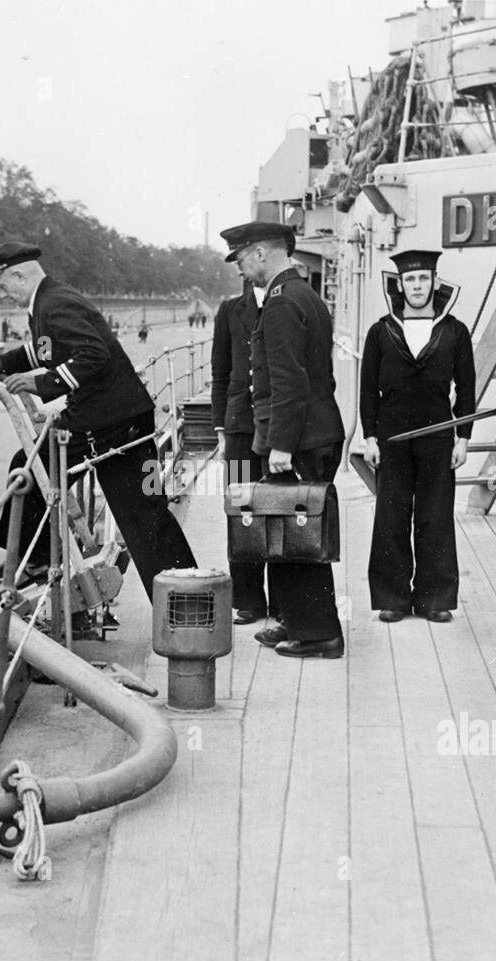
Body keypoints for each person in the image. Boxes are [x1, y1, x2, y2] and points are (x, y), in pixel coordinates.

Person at [0, 242, 196, 602]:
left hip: (107, 421)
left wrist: (40, 383)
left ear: (18, 274)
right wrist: (6, 364)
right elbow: (47, 348)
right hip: (119, 415)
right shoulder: (47, 301)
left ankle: (39, 560)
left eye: (1, 285)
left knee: (29, 470)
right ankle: (186, 598)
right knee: (144, 514)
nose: (2, 295)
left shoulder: (53, 303)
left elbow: (93, 355)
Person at [222, 221, 346, 659]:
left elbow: (289, 382)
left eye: (241, 259)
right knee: (289, 534)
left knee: (298, 538)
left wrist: (281, 445)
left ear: (260, 253)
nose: (242, 270)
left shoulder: (280, 303)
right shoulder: (304, 295)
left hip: (299, 440)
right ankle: (295, 618)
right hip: (312, 433)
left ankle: (319, 634)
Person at [359, 249, 475, 623]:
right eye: (410, 279)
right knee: (391, 515)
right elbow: (367, 390)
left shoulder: (455, 330)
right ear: (400, 284)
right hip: (392, 437)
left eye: (424, 278)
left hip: (439, 435)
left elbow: (467, 388)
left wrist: (463, 437)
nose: (417, 286)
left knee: (436, 515)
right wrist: (370, 437)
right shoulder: (381, 331)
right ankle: (392, 598)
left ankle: (435, 598)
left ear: (435, 283)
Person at [211, 277, 272, 623]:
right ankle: (248, 600)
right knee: (241, 510)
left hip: (278, 425)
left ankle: (281, 599)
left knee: (279, 510)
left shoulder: (286, 304)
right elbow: (220, 373)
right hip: (238, 428)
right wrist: (221, 430)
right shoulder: (229, 311)